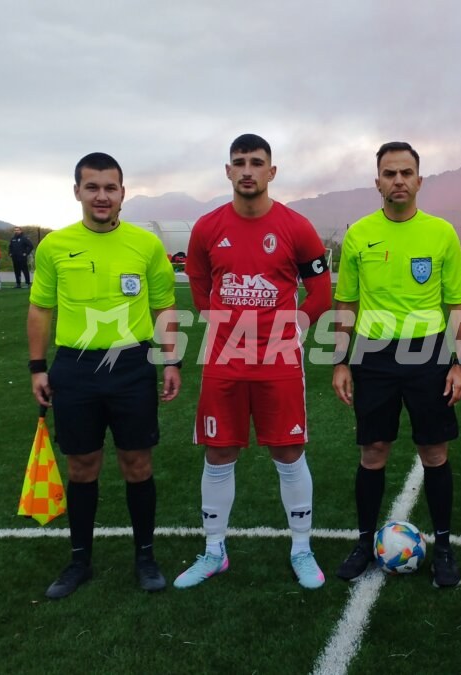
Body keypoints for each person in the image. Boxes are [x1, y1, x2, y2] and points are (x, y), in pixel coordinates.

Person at [179, 134, 332, 590]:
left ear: (272, 171)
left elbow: (320, 291)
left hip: (278, 360)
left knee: (288, 451)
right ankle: (214, 551)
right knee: (218, 451)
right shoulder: (207, 227)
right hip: (225, 359)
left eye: (257, 162)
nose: (248, 170)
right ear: (228, 171)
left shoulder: (295, 226)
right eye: (239, 162)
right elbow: (198, 282)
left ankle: (301, 548)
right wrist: (220, 323)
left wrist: (297, 325)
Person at [28, 152, 180, 600]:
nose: (101, 196)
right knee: (82, 466)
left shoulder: (145, 245)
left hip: (132, 367)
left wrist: (172, 361)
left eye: (110, 188)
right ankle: (79, 561)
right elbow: (40, 309)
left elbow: (164, 307)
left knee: (138, 464)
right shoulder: (55, 246)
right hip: (75, 369)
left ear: (122, 194)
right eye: (92, 187)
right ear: (77, 191)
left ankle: (145, 557)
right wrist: (37, 367)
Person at [331, 141, 461, 588]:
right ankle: (363, 542)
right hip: (373, 356)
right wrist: (340, 361)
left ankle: (444, 547)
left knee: (434, 452)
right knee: (373, 451)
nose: (398, 181)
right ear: (377, 182)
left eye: (406, 173)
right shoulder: (359, 234)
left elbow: (459, 303)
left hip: (428, 354)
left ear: (419, 180)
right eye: (389, 174)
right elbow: (346, 302)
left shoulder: (440, 233)